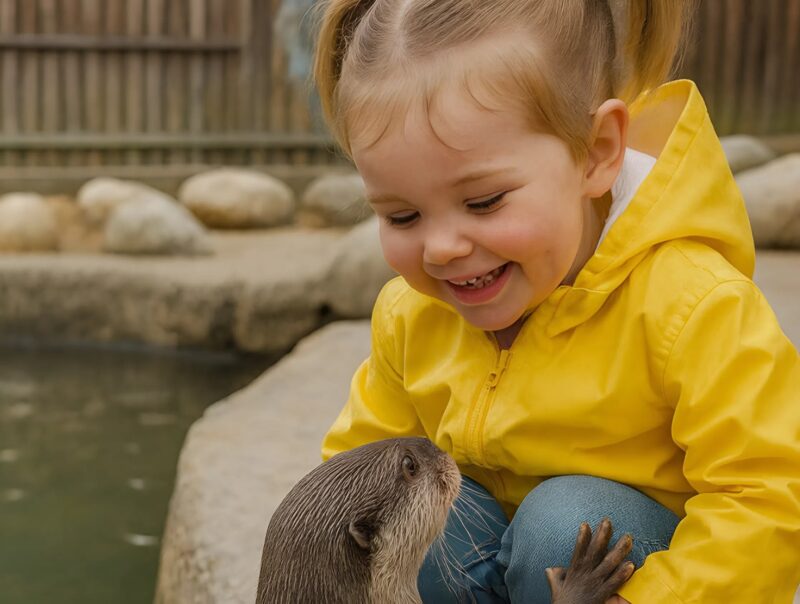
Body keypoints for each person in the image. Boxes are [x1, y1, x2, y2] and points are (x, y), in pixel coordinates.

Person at [311, 1, 800, 602]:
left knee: (562, 530)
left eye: (484, 202)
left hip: (637, 579)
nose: (441, 249)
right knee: (409, 523)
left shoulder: (694, 307)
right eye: (402, 215)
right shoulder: (412, 314)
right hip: (496, 557)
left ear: (596, 152)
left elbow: (768, 496)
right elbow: (356, 470)